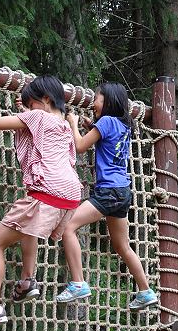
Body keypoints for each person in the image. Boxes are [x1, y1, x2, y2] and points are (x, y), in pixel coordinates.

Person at [0, 75, 83, 329]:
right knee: (29, 226)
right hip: (70, 196)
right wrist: (28, 109)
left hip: (47, 192)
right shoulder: (63, 125)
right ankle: (28, 279)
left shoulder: (37, 117)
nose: (28, 110)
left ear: (47, 99)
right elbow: (37, 131)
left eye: (32, 104)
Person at [57, 83, 157, 311]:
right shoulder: (123, 124)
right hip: (123, 192)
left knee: (67, 227)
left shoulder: (106, 122)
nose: (93, 103)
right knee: (122, 245)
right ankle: (145, 290)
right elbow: (108, 143)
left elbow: (80, 146)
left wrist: (73, 124)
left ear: (109, 102)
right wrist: (92, 126)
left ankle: (78, 282)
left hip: (108, 191)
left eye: (97, 99)